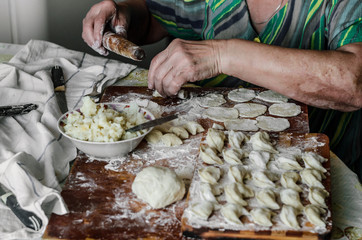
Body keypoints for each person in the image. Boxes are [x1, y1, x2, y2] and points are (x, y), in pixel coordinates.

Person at [82, 0, 362, 180]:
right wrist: (123, 13)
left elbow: (353, 83)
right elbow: (153, 18)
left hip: (317, 171)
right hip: (214, 165)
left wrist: (223, 55)